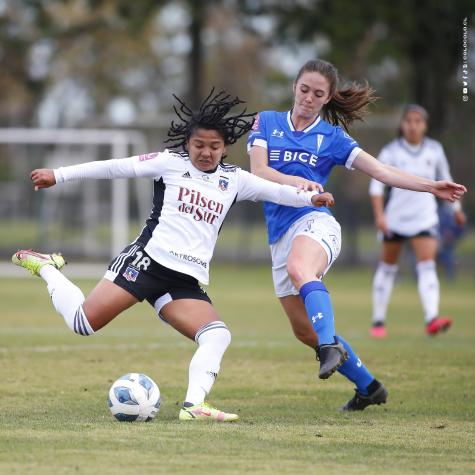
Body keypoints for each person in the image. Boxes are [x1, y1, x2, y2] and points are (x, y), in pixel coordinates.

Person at [12, 90, 335, 422]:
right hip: (145, 263)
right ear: (188, 143)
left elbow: (278, 191)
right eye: (199, 145)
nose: (206, 152)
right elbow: (114, 167)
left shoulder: (234, 180)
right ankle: (48, 268)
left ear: (224, 148)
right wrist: (59, 174)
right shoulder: (169, 163)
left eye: (214, 146)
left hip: (183, 280)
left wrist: (310, 199)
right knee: (83, 323)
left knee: (217, 334)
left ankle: (194, 406)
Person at [247, 59, 466, 411]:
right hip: (280, 234)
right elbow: (259, 170)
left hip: (315, 222)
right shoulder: (267, 122)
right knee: (305, 331)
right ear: (294, 87)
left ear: (328, 97)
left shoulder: (332, 137)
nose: (308, 98)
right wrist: (298, 182)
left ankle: (330, 346)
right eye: (304, 90)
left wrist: (430, 187)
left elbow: (379, 170)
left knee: (300, 269)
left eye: (318, 94)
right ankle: (369, 387)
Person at [369, 104, 467, 338]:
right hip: (396, 219)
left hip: (424, 219)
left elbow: (446, 179)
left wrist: (456, 208)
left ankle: (431, 318)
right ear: (402, 124)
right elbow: (376, 186)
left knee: (427, 266)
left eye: (418, 121)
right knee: (387, 268)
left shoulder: (434, 149)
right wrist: (380, 215)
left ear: (425, 125)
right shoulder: (391, 151)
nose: (413, 126)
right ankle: (378, 321)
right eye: (408, 121)